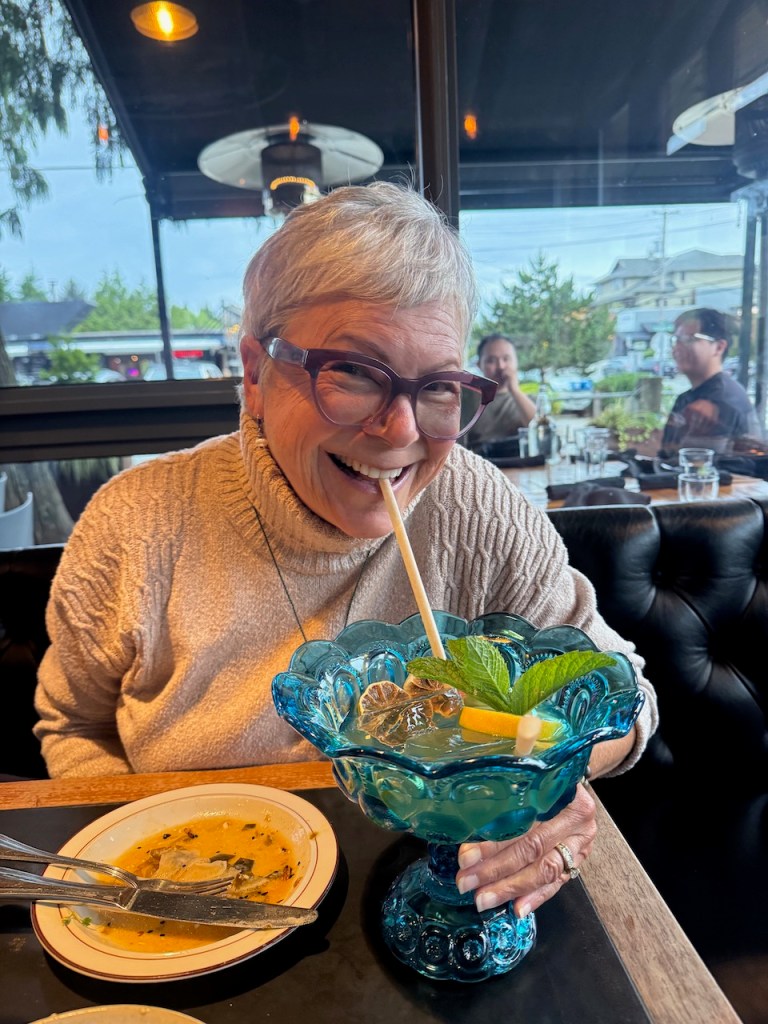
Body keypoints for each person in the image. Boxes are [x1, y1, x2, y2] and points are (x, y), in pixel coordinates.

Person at [35, 181, 658, 922]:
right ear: (256, 375)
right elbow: (72, 727)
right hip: (189, 904)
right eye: (355, 372)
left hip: (434, 892)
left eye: (437, 387)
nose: (399, 432)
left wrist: (558, 784)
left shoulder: (477, 507)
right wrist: (138, 866)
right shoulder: (136, 525)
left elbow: (628, 695)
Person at [660, 307, 762, 456]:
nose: (677, 348)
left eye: (689, 339)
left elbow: (702, 463)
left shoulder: (723, 399)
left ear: (719, 347)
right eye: (676, 340)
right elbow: (666, 454)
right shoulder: (686, 398)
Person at [464, 333, 536, 450]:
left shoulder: (530, 401)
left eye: (506, 359)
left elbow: (540, 430)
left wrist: (515, 390)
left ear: (516, 362)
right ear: (479, 365)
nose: (501, 366)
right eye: (491, 360)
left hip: (522, 464)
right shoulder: (467, 399)